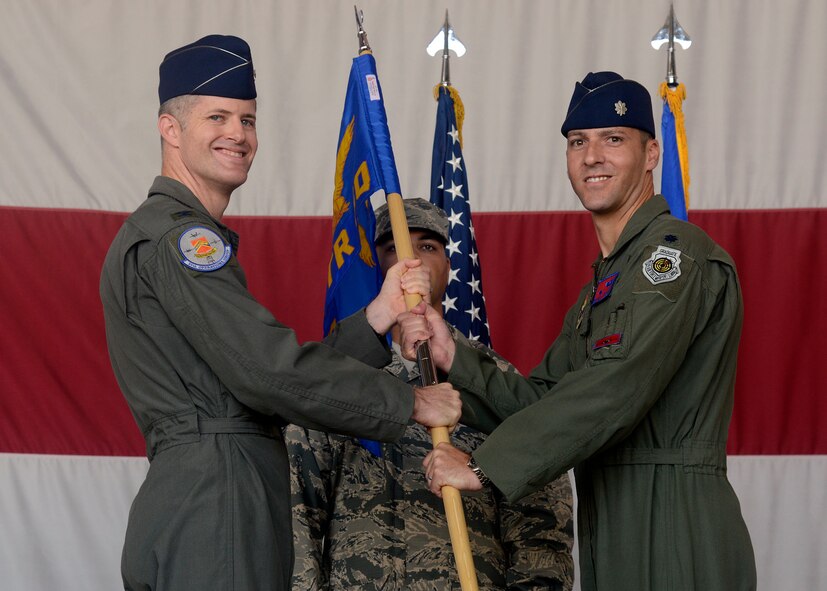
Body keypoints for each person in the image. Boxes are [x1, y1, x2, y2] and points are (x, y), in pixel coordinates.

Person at [99, 35, 461, 591]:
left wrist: (377, 316)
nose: (237, 135)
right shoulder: (182, 240)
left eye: (247, 120)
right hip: (218, 504)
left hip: (211, 495)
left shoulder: (168, 233)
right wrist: (409, 401)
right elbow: (268, 373)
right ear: (170, 129)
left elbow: (253, 381)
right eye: (217, 117)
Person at [400, 72, 757, 591]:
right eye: (578, 142)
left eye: (613, 139)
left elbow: (614, 389)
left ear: (651, 153)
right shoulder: (609, 283)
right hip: (613, 516)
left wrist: (483, 468)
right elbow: (542, 399)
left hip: (676, 519)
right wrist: (453, 354)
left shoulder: (674, 259)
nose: (592, 156)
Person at [286, 198, 574, 591]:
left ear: (449, 265)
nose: (412, 259)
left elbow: (538, 511)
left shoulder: (494, 378)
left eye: (427, 247)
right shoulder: (342, 375)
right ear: (380, 268)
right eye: (393, 248)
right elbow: (299, 509)